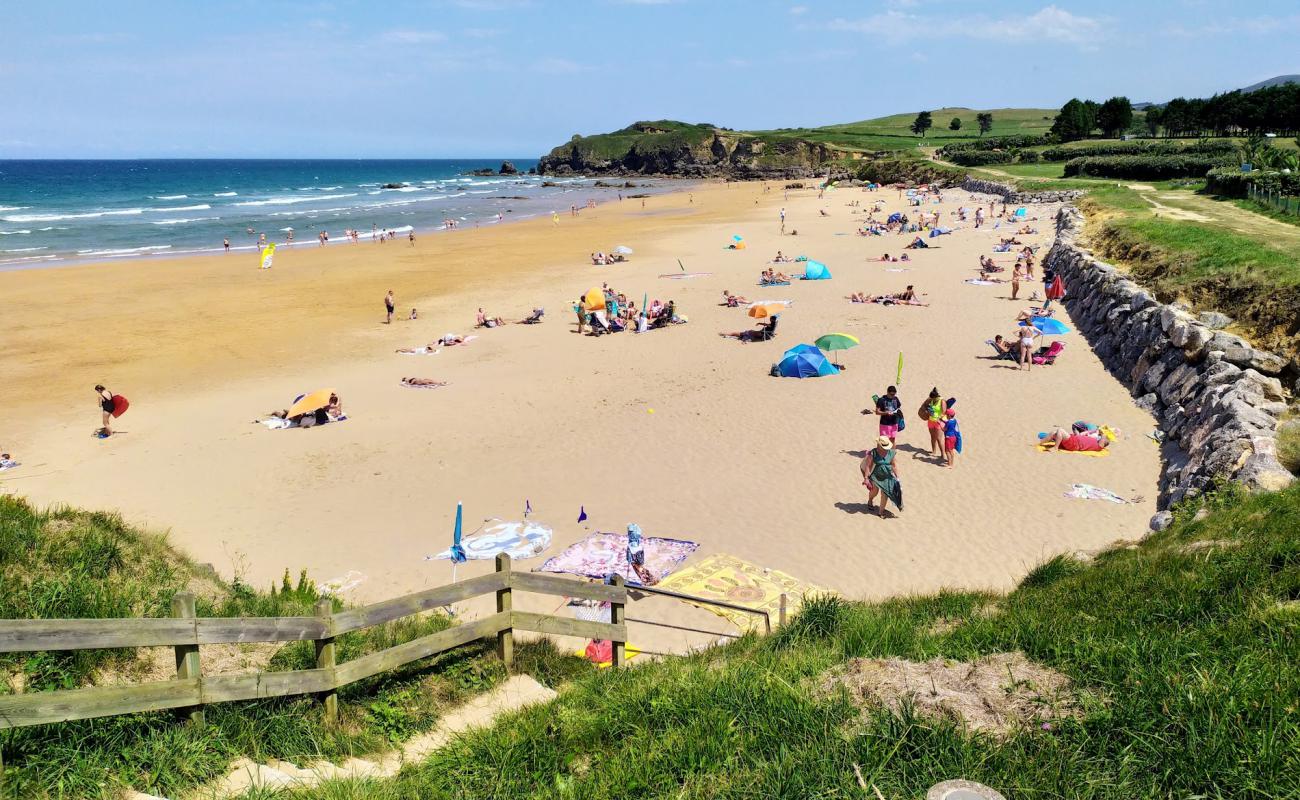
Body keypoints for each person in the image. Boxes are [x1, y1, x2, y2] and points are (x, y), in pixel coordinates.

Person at [860, 436, 902, 518]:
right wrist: (866, 478)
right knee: (874, 492)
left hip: (887, 476)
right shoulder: (873, 453)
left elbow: (893, 466)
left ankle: (881, 512)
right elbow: (868, 466)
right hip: (875, 475)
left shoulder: (891, 453)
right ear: (878, 445)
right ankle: (870, 500)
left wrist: (897, 477)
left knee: (885, 494)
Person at [919, 388, 944, 458]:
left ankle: (943, 454)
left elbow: (944, 412)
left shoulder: (942, 401)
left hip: (938, 422)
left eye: (933, 398)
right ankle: (934, 451)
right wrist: (927, 412)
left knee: (939, 438)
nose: (931, 400)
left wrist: (937, 417)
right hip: (930, 421)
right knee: (933, 437)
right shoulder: (931, 399)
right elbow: (923, 406)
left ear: (936, 397)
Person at [1042, 427, 1109, 452]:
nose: (1100, 439)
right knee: (1054, 432)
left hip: (1074, 443)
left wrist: (1103, 434)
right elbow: (1082, 434)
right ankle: (1040, 443)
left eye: (1103, 440)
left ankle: (1055, 447)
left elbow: (1104, 436)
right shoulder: (1094, 441)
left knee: (1060, 429)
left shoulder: (1098, 446)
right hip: (1073, 440)